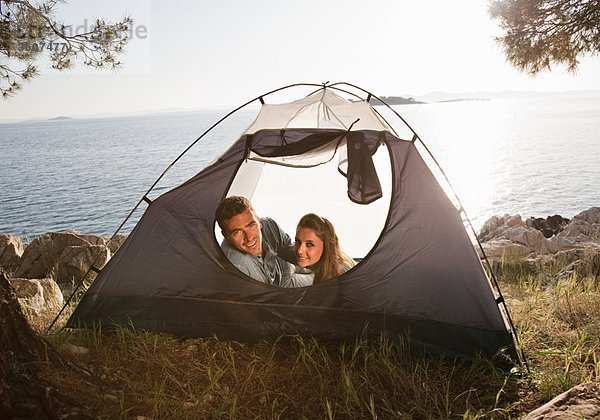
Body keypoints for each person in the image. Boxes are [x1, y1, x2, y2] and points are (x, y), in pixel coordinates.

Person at [215, 196, 313, 288]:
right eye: (237, 232)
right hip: (278, 290)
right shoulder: (238, 267)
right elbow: (270, 299)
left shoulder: (269, 225)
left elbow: (291, 252)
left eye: (251, 225)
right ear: (226, 236)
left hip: (285, 271)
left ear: (259, 222)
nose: (249, 238)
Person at [295, 213, 355, 283]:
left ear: (326, 247)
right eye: (297, 241)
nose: (299, 250)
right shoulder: (306, 261)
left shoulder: (342, 273)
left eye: (309, 244)